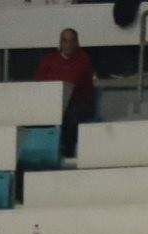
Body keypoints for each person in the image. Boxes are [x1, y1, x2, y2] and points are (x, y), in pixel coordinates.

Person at [36, 27, 97, 157]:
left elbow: (73, 81)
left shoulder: (83, 59)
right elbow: (40, 82)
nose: (68, 44)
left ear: (77, 42)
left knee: (70, 116)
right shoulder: (49, 59)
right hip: (52, 102)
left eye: (71, 41)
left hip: (79, 103)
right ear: (60, 43)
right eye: (65, 41)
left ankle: (68, 153)